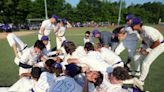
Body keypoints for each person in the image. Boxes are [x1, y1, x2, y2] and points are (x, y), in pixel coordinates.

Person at [131, 18, 164, 84]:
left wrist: (148, 50)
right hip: (151, 44)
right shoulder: (139, 30)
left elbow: (157, 42)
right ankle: (137, 72)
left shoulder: (147, 30)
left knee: (146, 63)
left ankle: (141, 81)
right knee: (136, 57)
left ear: (138, 24)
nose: (131, 26)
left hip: (160, 45)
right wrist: (141, 48)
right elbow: (144, 40)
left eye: (133, 25)